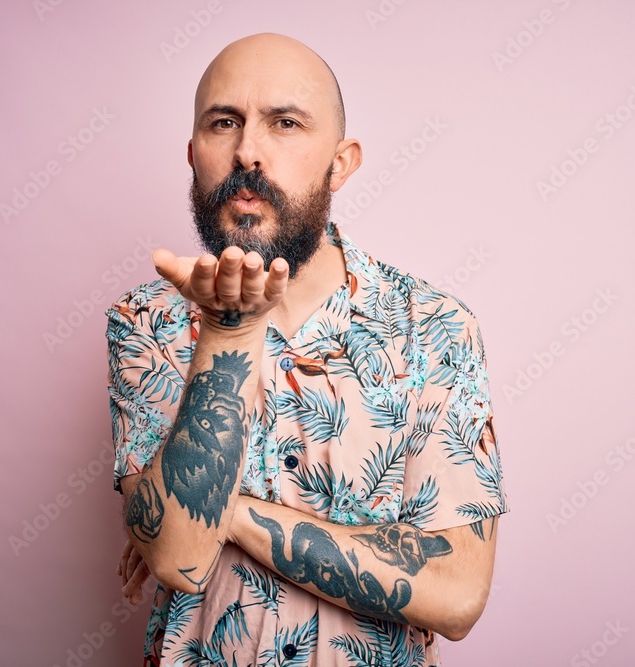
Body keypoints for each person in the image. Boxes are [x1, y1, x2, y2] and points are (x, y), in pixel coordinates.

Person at [105, 32, 509, 666]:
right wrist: (228, 330)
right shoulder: (145, 322)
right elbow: (180, 556)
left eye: (285, 123)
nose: (247, 152)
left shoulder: (433, 327)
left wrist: (228, 514)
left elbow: (456, 596)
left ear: (341, 162)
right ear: (192, 153)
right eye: (223, 123)